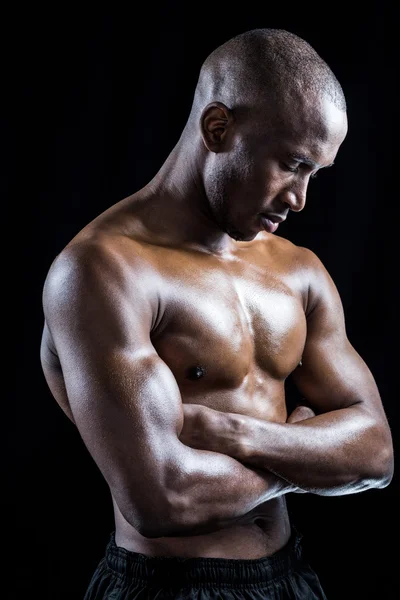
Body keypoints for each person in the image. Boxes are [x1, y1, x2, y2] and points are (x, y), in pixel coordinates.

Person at [40, 28, 394, 599]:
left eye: (314, 174)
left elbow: (375, 452)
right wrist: (304, 452)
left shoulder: (298, 270)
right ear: (218, 128)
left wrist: (233, 432)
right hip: (166, 587)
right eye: (292, 164)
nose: (300, 198)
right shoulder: (103, 271)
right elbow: (162, 498)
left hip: (290, 578)